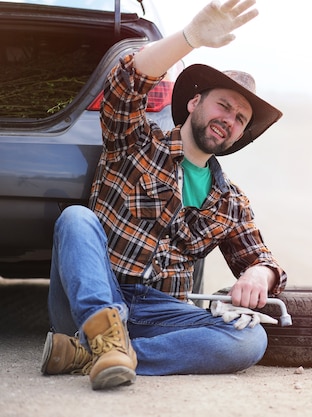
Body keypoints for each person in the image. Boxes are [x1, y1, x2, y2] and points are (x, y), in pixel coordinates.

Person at [40, 0, 287, 390]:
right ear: (194, 103)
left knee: (249, 338)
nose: (230, 119)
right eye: (224, 105)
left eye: (240, 118)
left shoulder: (230, 201)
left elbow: (260, 258)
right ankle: (102, 337)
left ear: (241, 134)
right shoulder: (135, 141)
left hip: (158, 312)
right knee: (76, 218)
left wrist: (260, 272)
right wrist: (191, 38)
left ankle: (100, 354)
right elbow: (125, 84)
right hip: (95, 295)